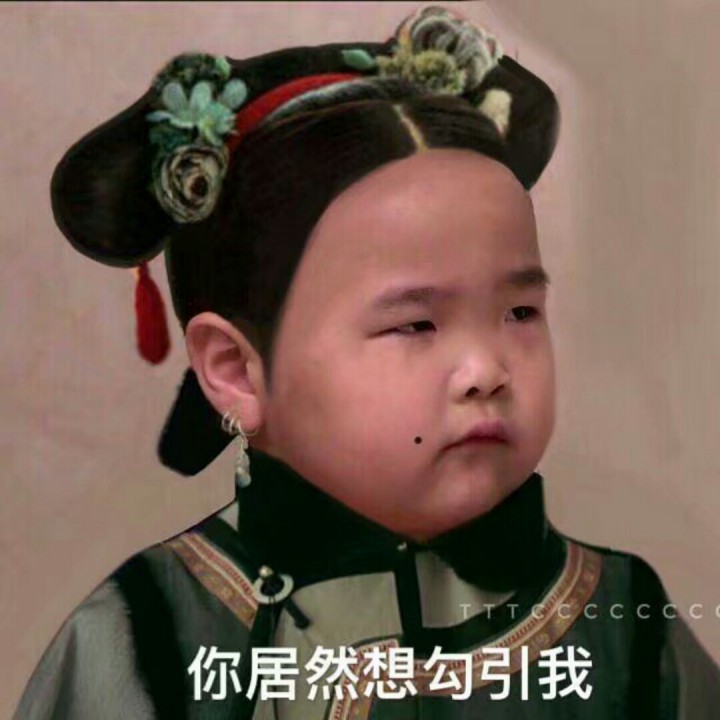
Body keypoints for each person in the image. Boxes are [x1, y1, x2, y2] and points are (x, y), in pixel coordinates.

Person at [13, 5, 720, 720]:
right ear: (235, 370)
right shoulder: (148, 636)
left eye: (519, 313)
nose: (486, 370)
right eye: (415, 323)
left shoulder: (627, 623)